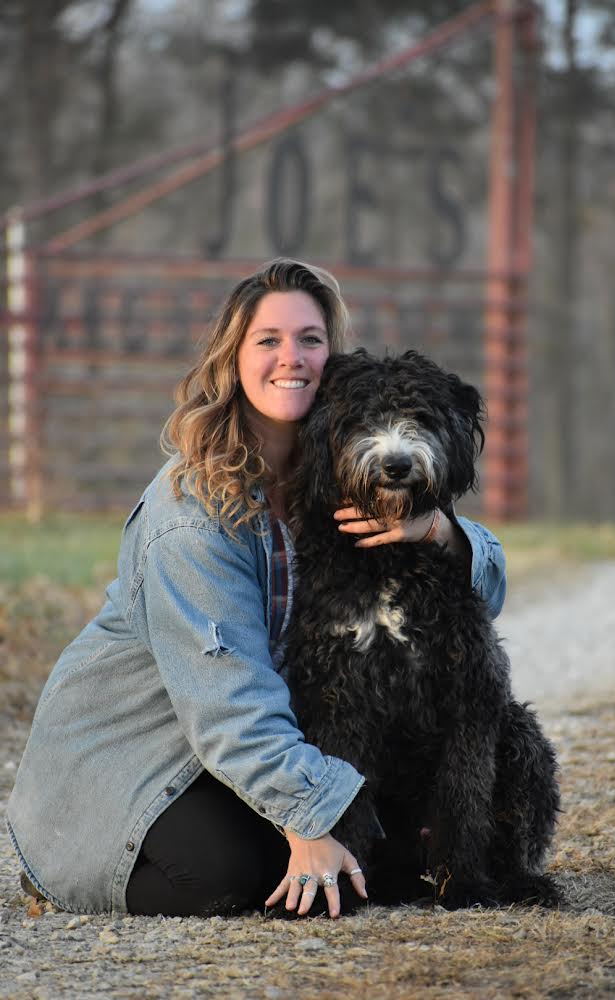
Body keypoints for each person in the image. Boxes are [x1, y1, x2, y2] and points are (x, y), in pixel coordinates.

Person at [7, 258, 507, 920]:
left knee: (372, 851)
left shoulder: (341, 472)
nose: (289, 358)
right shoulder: (192, 510)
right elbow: (224, 698)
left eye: (309, 339)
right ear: (231, 359)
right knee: (235, 871)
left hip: (237, 752)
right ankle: (63, 874)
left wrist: (441, 533)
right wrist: (305, 822)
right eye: (266, 341)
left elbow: (472, 603)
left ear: (334, 358)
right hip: (138, 760)